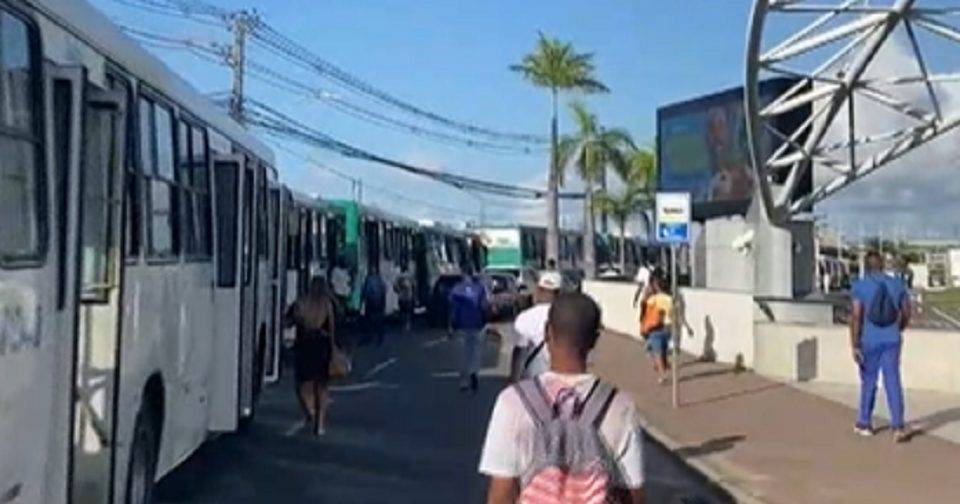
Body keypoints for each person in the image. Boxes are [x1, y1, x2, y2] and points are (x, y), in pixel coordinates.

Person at [479, 293, 645, 503]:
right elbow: (633, 493)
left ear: (548, 333)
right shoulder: (619, 406)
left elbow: (502, 492)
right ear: (594, 340)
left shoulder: (512, 402)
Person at [850, 251, 912, 442]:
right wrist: (898, 328)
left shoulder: (860, 286)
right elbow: (907, 311)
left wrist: (855, 343)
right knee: (892, 380)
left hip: (869, 340)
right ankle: (898, 426)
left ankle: (864, 423)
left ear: (867, 267)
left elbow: (856, 316)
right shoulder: (897, 284)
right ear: (883, 265)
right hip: (891, 338)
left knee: (869, 380)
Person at [284, 276, 338, 436]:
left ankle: (310, 412)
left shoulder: (301, 303)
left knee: (302, 384)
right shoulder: (327, 305)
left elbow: (288, 322)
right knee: (321, 387)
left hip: (305, 346)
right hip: (322, 346)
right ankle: (320, 425)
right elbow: (332, 329)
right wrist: (334, 348)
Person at [509, 271, 562, 381]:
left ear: (538, 290)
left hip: (533, 381)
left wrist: (514, 379)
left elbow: (519, 352)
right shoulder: (567, 317)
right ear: (559, 293)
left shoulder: (525, 317)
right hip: (561, 379)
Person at [448, 270, 488, 394]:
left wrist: (450, 325)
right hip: (476, 324)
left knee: (463, 354)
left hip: (461, 325)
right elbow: (484, 306)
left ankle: (464, 381)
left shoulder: (456, 289)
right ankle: (473, 373)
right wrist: (484, 321)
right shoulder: (479, 288)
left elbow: (453, 309)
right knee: (475, 352)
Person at [640, 275, 673, 384]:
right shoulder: (670, 299)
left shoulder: (653, 299)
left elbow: (645, 312)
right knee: (662, 349)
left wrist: (645, 295)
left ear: (657, 287)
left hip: (656, 328)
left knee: (656, 351)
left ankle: (662, 374)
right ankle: (663, 364)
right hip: (668, 328)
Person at [361, 268, 387, 347]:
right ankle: (377, 337)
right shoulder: (378, 280)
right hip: (374, 301)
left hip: (373, 301)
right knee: (374, 320)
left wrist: (363, 299)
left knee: (374, 320)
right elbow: (384, 290)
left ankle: (376, 337)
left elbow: (365, 290)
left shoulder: (371, 280)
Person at [394, 268, 415, 334]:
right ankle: (407, 325)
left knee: (402, 312)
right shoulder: (410, 276)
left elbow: (395, 287)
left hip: (402, 297)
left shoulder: (398, 276)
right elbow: (414, 285)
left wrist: (399, 291)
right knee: (408, 312)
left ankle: (403, 325)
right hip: (408, 297)